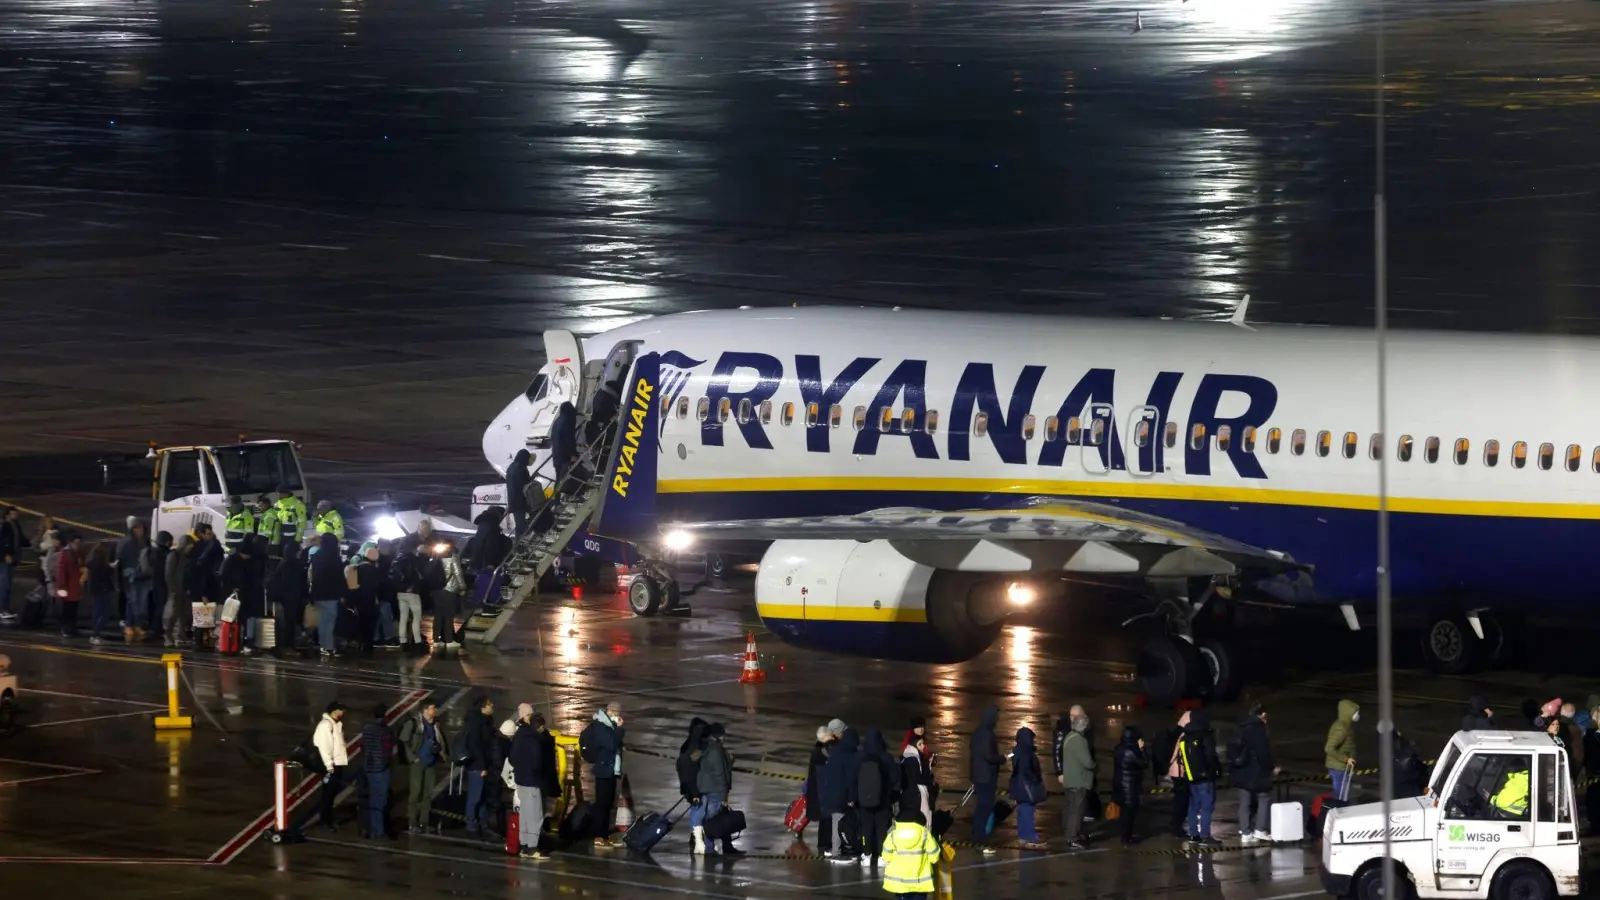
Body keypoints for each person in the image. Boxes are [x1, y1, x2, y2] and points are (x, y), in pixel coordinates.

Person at [399, 699, 448, 834]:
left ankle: (424, 822)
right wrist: (412, 758)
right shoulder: (414, 723)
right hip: (418, 763)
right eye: (433, 708)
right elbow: (404, 740)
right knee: (416, 793)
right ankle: (413, 822)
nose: (435, 710)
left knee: (427, 794)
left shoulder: (435, 724)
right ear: (425, 710)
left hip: (431, 762)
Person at [1230, 704, 1278, 844]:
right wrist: (1271, 768)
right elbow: (1264, 753)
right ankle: (1260, 830)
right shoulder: (1258, 729)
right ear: (1262, 714)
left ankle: (1245, 833)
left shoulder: (1240, 726)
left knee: (1244, 802)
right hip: (1257, 771)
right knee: (1264, 798)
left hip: (1241, 770)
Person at [697, 722, 744, 856]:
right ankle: (710, 849)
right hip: (715, 790)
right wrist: (724, 796)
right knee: (712, 820)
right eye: (723, 735)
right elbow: (720, 773)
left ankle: (727, 846)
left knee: (721, 819)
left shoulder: (707, 747)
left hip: (709, 788)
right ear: (718, 736)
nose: (724, 738)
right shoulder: (716, 751)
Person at [583, 700, 626, 846]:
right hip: (603, 770)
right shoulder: (601, 725)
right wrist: (618, 729)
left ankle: (604, 835)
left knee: (607, 803)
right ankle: (599, 836)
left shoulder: (609, 726)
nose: (617, 716)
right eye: (615, 713)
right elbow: (612, 744)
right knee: (602, 804)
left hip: (610, 770)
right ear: (609, 712)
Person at [509, 706, 550, 859]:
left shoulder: (520, 734)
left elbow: (512, 757)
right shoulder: (534, 741)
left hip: (520, 779)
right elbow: (536, 762)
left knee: (525, 814)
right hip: (531, 781)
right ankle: (532, 847)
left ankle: (524, 845)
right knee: (535, 815)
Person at [1178, 709, 1220, 847]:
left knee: (1193, 806)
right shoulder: (1205, 736)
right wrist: (1214, 771)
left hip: (1191, 778)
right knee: (1207, 807)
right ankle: (1205, 836)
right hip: (1205, 778)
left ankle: (1193, 834)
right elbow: (1210, 757)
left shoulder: (1185, 737)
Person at [857, 728, 899, 865]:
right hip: (883, 799)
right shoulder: (886, 757)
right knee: (882, 828)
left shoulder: (860, 756)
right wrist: (893, 796)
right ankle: (883, 856)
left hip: (863, 800)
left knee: (866, 827)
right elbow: (895, 779)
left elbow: (852, 779)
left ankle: (867, 855)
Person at [220, 536, 265, 654]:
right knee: (234, 619)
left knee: (242, 619)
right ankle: (234, 644)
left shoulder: (241, 560)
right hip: (234, 595)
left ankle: (240, 643)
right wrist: (231, 588)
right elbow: (223, 576)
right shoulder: (232, 560)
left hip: (243, 594)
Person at [967, 706, 1003, 853]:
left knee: (981, 807)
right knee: (985, 808)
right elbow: (989, 756)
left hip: (978, 775)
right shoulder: (987, 734)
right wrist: (1001, 759)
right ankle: (979, 839)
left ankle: (977, 835)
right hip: (986, 776)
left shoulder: (977, 732)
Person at [822, 726, 861, 864]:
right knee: (838, 822)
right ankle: (836, 852)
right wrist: (851, 797)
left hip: (831, 792)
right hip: (841, 795)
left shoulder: (835, 752)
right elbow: (851, 780)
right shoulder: (850, 757)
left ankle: (834, 849)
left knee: (835, 821)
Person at [462, 695, 499, 839]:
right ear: (482, 707)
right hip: (477, 766)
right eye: (489, 704)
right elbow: (476, 746)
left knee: (482, 797)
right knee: (475, 797)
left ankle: (483, 824)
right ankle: (471, 826)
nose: (492, 706)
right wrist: (482, 766)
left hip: (485, 764)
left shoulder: (486, 721)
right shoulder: (476, 722)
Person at [880, 809, 939, 899]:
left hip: (900, 884)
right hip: (920, 884)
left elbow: (886, 857)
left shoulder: (893, 835)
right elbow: (934, 857)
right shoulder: (925, 834)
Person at [1059, 713, 1095, 849]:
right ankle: (1073, 838)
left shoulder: (1069, 737)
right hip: (1079, 781)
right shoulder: (1080, 740)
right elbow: (1087, 762)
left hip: (1070, 780)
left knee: (1069, 809)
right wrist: (1094, 765)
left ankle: (1069, 833)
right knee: (1077, 811)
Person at [361, 704, 397, 839]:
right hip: (380, 769)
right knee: (380, 802)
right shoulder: (385, 731)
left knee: (370, 799)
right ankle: (378, 831)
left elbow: (363, 747)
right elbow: (387, 751)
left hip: (368, 768)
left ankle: (367, 828)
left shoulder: (367, 729)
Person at [312, 701, 350, 830]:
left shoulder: (336, 724)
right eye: (341, 711)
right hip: (331, 766)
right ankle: (325, 821)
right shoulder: (325, 725)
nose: (343, 713)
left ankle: (328, 818)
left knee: (332, 794)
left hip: (337, 764)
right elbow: (325, 747)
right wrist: (329, 766)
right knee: (327, 795)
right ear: (334, 711)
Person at [1008, 726, 1047, 850]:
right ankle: (1029, 836)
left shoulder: (1016, 751)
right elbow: (1028, 770)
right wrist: (1035, 779)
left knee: (1023, 811)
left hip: (1019, 785)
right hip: (1026, 786)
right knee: (1028, 811)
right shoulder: (1026, 753)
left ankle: (1023, 835)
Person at [309, 533, 347, 657]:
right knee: (330, 621)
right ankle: (329, 647)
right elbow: (339, 578)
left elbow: (313, 577)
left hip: (318, 593)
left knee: (323, 621)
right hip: (331, 594)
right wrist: (342, 593)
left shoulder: (316, 556)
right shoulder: (334, 557)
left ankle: (323, 646)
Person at [265, 540, 306, 654]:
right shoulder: (293, 564)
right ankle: (288, 646)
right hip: (291, 598)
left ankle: (287, 645)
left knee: (288, 623)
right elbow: (295, 582)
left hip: (286, 598)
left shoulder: (284, 563)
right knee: (289, 623)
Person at [1111, 725, 1147, 845]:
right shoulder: (1132, 752)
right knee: (1129, 813)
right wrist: (1142, 749)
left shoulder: (1118, 748)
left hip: (1120, 784)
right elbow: (1144, 762)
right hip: (1130, 787)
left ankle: (1124, 835)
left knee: (1124, 813)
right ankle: (1127, 838)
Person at [678, 717, 709, 853]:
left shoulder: (687, 745)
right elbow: (694, 768)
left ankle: (695, 835)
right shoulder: (698, 749)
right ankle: (697, 837)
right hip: (696, 786)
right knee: (699, 811)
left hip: (689, 785)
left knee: (696, 810)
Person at [429, 542, 466, 651]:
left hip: (436, 590)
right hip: (450, 590)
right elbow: (458, 574)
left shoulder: (436, 557)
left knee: (438, 616)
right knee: (449, 616)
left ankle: (436, 640)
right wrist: (463, 587)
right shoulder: (453, 557)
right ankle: (449, 640)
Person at [809, 725, 838, 854]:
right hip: (824, 793)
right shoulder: (823, 753)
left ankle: (822, 844)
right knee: (827, 819)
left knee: (824, 820)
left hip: (819, 793)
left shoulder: (816, 752)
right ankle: (826, 845)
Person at [162, 535, 194, 647]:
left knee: (183, 614)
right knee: (172, 614)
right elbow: (168, 574)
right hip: (175, 590)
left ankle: (180, 635)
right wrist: (172, 589)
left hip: (184, 590)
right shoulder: (174, 555)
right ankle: (168, 636)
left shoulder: (186, 557)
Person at [1324, 700, 1360, 799]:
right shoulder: (1341, 729)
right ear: (1348, 713)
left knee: (1342, 795)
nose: (1357, 714)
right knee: (1340, 796)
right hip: (1338, 768)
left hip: (1342, 767)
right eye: (1355, 712)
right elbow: (1329, 748)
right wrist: (1346, 759)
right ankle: (1337, 811)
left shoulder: (1345, 725)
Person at [0, 506, 31, 617]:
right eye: (13, 514)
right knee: (5, 584)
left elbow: (21, 539)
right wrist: (5, 554)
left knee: (8, 584)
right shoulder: (4, 525)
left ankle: (6, 608)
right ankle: (2, 609)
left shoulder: (15, 525)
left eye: (16, 514)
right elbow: (2, 541)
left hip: (13, 558)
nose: (15, 516)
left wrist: (30, 543)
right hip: (5, 559)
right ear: (7, 515)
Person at [52, 531, 84, 637]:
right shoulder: (65, 553)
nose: (77, 545)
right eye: (75, 542)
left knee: (74, 609)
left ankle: (72, 627)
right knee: (66, 609)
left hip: (75, 587)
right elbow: (61, 571)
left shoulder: (79, 553)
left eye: (79, 543)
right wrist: (61, 587)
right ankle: (66, 628)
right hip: (67, 587)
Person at [393, 550, 426, 652]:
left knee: (403, 618)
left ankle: (403, 642)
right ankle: (418, 642)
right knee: (416, 619)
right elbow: (419, 578)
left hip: (400, 593)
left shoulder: (397, 563)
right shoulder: (414, 564)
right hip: (413, 593)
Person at [85, 541, 117, 645]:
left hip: (95, 590)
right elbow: (104, 575)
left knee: (98, 613)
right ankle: (95, 634)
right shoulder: (100, 562)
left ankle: (95, 635)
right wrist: (111, 567)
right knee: (104, 613)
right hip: (102, 590)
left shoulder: (92, 561)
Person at [899, 736, 934, 827]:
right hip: (916, 794)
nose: (923, 746)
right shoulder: (912, 759)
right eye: (920, 744)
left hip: (910, 794)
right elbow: (916, 777)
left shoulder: (910, 757)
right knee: (922, 817)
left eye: (923, 744)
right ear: (914, 746)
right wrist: (929, 781)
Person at [149, 530, 172, 639]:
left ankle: (155, 627)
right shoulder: (163, 553)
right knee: (161, 606)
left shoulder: (154, 551)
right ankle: (157, 628)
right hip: (161, 583)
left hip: (154, 582)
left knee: (157, 605)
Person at [506, 449, 534, 535]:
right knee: (521, 525)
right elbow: (524, 483)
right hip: (520, 500)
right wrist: (531, 480)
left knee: (520, 523)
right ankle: (519, 544)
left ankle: (521, 542)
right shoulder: (521, 468)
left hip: (512, 500)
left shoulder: (511, 467)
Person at [550, 402, 578, 488]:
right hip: (564, 455)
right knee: (569, 473)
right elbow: (568, 439)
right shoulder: (566, 421)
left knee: (559, 478)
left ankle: (557, 498)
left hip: (556, 454)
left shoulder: (557, 421)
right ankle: (575, 491)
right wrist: (573, 454)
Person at [273, 485, 307, 554]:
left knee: (290, 557)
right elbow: (276, 522)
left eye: (279, 493)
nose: (278, 495)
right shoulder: (277, 504)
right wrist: (275, 540)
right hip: (280, 537)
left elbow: (302, 522)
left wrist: (298, 538)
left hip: (292, 538)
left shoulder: (297, 504)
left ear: (286, 493)